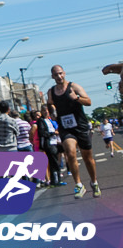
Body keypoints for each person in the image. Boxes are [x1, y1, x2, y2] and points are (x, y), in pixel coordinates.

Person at [46, 64, 99, 198]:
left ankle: (94, 182)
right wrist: (52, 111)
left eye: (60, 73)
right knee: (70, 152)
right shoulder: (51, 92)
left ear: (64, 73)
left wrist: (76, 98)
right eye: (56, 74)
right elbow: (50, 103)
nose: (59, 76)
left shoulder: (74, 87)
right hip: (65, 127)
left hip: (80, 126)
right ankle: (79, 185)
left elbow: (89, 102)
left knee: (88, 158)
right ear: (52, 76)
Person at [36, 104, 63, 186]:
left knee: (56, 161)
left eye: (47, 110)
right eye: (44, 110)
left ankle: (57, 179)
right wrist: (53, 133)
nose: (46, 112)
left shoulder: (50, 120)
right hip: (49, 144)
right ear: (41, 112)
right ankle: (55, 180)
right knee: (54, 162)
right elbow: (42, 133)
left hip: (55, 142)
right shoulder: (41, 121)